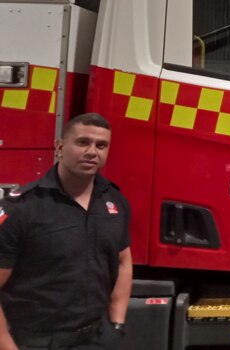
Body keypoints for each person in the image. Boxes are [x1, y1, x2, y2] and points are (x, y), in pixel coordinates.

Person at [0, 113, 133, 349]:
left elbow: (123, 261)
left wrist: (117, 323)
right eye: (83, 142)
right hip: (36, 342)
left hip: (95, 338)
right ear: (60, 147)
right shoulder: (23, 208)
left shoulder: (114, 202)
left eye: (101, 145)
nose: (93, 151)